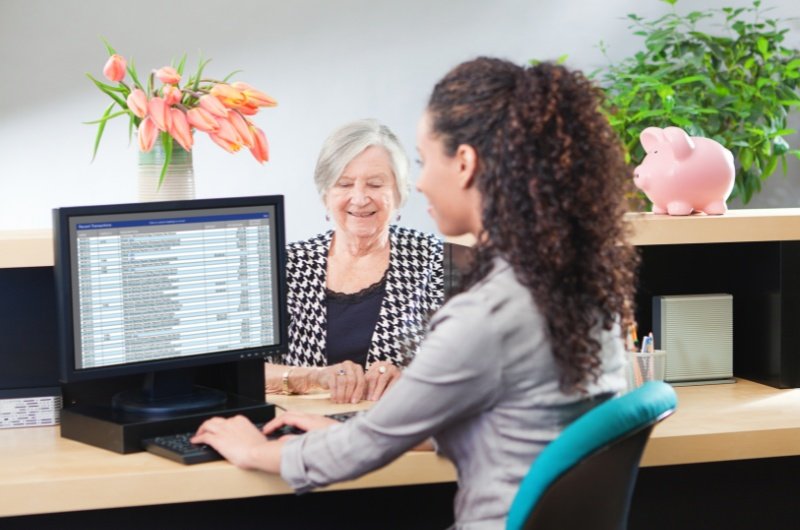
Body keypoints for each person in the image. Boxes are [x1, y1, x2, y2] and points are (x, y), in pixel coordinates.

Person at [193, 57, 639, 529]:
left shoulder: (487, 312)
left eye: (425, 162)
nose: (421, 181)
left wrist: (254, 449)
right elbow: (515, 426)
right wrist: (360, 426)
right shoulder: (567, 284)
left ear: (464, 164)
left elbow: (361, 452)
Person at [264, 119, 444, 404]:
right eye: (344, 184)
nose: (359, 198)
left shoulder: (436, 259)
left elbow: (474, 366)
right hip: (304, 426)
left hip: (400, 428)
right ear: (326, 195)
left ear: (399, 193)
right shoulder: (286, 264)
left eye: (375, 184)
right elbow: (241, 372)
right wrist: (312, 377)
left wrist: (410, 379)